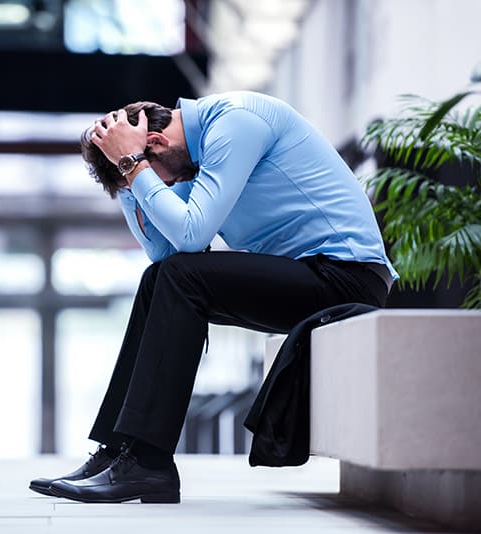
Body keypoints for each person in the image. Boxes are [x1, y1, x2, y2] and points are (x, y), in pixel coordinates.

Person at [28, 91, 397, 504]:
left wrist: (133, 167)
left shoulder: (235, 124)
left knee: (183, 278)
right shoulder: (192, 156)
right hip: (309, 276)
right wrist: (130, 177)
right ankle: (119, 452)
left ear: (155, 143)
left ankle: (148, 463)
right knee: (160, 278)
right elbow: (164, 250)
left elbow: (190, 235)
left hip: (347, 278)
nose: (160, 185)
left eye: (154, 175)